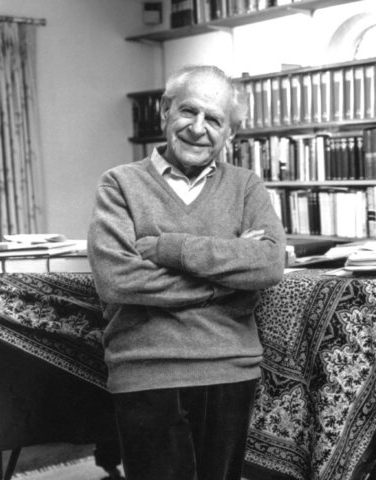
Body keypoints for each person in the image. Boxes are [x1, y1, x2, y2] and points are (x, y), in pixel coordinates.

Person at [87, 64, 286, 480]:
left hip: (229, 367)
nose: (198, 128)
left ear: (231, 132)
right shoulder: (119, 184)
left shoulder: (247, 186)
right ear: (165, 111)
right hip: (146, 369)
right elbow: (117, 280)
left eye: (214, 119)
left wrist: (169, 248)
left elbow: (269, 263)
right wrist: (226, 282)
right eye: (188, 111)